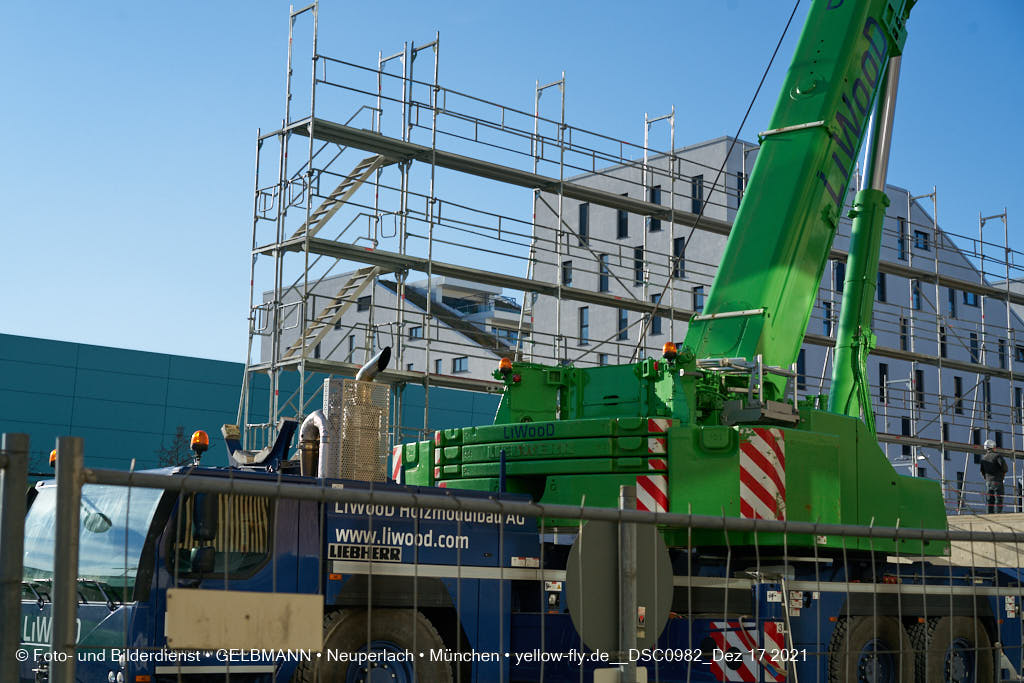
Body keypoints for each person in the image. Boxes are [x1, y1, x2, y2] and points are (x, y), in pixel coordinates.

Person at [980, 439, 1008, 514]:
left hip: (988, 482)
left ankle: (989, 515)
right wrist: (1002, 474)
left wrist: (987, 479)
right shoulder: (997, 456)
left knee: (990, 500)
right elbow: (1005, 468)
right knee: (998, 500)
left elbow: (982, 471)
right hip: (997, 481)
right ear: (993, 447)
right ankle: (998, 516)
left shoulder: (983, 458)